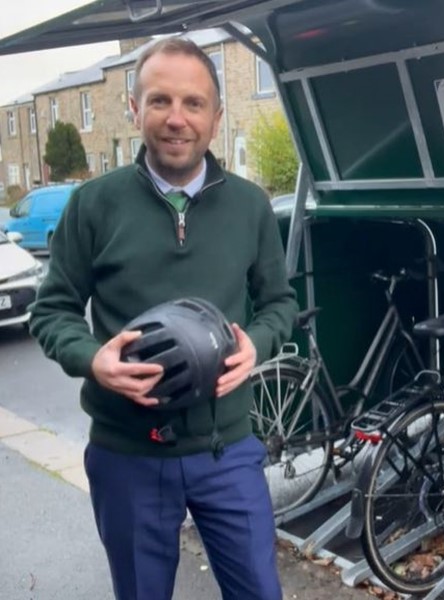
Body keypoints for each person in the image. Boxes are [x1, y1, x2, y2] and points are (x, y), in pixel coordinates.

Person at [29, 37, 297, 600]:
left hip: (227, 450)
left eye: (193, 104)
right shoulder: (94, 204)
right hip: (127, 454)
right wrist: (91, 359)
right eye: (160, 101)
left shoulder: (250, 207)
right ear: (134, 108)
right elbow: (51, 309)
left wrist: (259, 346)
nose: (177, 119)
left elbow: (280, 303)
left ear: (217, 116)